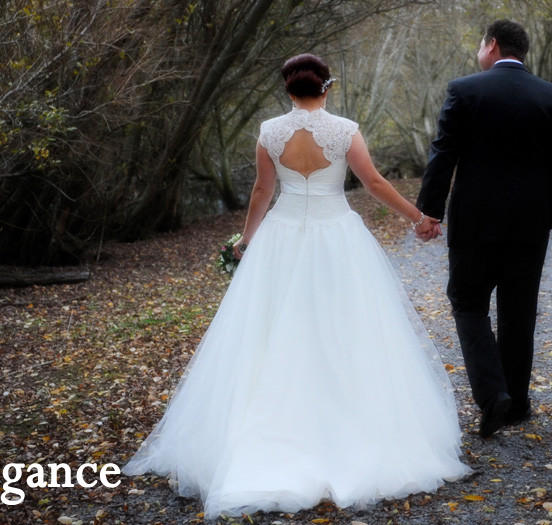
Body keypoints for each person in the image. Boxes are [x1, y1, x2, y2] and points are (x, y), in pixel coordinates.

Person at [122, 54, 469, 518]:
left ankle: (267, 435)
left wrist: (246, 240)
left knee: (271, 332)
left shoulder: (269, 131)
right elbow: (372, 181)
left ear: (288, 90)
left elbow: (263, 192)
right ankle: (352, 431)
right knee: (344, 329)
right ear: (327, 88)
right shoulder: (345, 129)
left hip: (281, 238)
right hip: (336, 238)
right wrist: (419, 218)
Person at [415, 19, 552, 438]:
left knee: (467, 302)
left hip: (474, 223)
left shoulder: (465, 90)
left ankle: (492, 397)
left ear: (493, 45)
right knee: (518, 311)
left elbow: (443, 154)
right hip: (530, 226)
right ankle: (517, 404)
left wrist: (429, 211)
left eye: (479, 43)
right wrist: (549, 218)